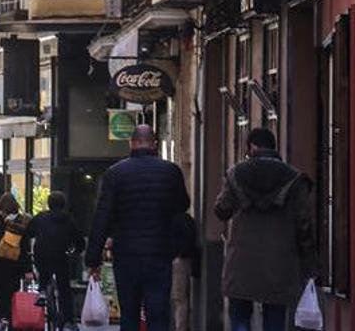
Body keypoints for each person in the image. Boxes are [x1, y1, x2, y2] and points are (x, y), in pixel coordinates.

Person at [86, 125, 191, 331]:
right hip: (159, 253)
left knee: (129, 313)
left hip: (126, 254)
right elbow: (182, 206)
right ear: (155, 144)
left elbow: (102, 217)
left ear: (131, 143)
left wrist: (93, 259)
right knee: (158, 312)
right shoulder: (171, 172)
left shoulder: (115, 174)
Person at [214, 128, 315, 331]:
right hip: (279, 261)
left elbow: (221, 210)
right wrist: (309, 263)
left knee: (240, 316)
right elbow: (304, 224)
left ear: (252, 147)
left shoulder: (236, 174)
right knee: (275, 318)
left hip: (242, 260)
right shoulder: (294, 178)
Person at [28, 191, 86, 331]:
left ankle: (42, 291)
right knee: (64, 289)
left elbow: (29, 232)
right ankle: (68, 321)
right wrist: (75, 252)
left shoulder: (40, 217)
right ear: (64, 204)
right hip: (61, 255)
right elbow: (79, 241)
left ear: (48, 203)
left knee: (43, 271)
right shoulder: (68, 219)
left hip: (41, 254)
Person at [0, 193, 34, 331]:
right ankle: (11, 319)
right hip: (14, 266)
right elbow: (25, 247)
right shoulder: (22, 222)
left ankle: (3, 317)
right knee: (12, 293)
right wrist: (28, 269)